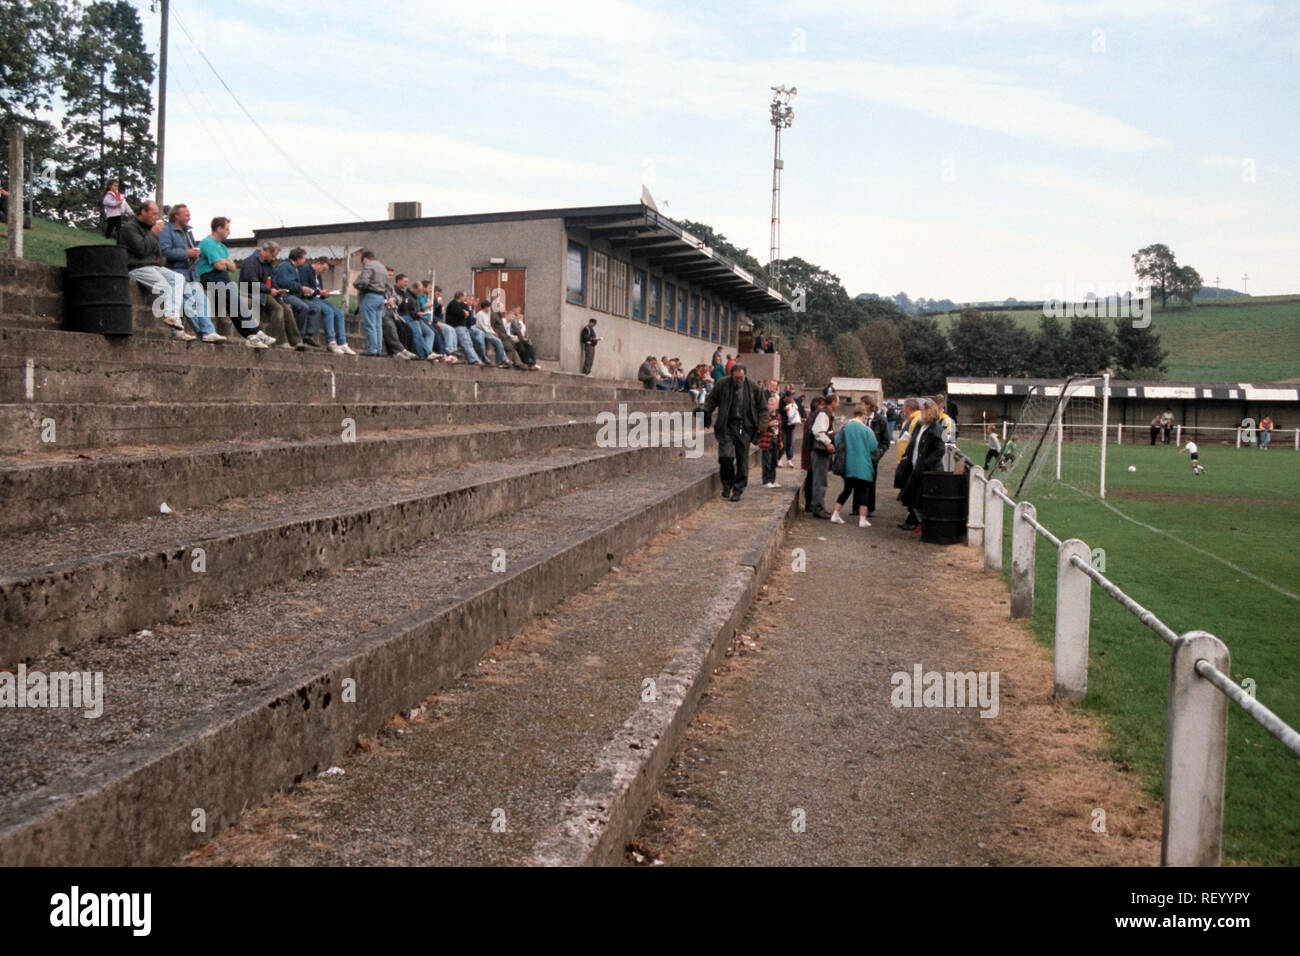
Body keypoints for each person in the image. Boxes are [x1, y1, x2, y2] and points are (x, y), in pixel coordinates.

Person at [117, 200, 195, 340]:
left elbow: (157, 254)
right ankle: (175, 327)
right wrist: (153, 233)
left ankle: (174, 322)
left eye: (157, 214)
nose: (156, 217)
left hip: (152, 267)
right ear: (143, 212)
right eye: (153, 214)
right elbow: (141, 250)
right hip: (135, 267)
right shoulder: (129, 228)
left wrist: (153, 234)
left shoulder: (148, 228)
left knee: (178, 278)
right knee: (165, 287)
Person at [157, 203, 225, 343]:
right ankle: (204, 333)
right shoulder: (166, 230)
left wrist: (195, 255)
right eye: (186, 215)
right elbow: (165, 252)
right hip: (175, 273)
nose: (189, 218)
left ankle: (207, 332)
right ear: (176, 216)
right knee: (189, 304)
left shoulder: (188, 233)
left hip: (191, 274)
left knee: (203, 300)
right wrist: (186, 253)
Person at [701, 362, 768, 502]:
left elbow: (763, 408)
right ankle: (727, 484)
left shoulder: (753, 387)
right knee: (725, 456)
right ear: (732, 375)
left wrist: (761, 427)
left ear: (745, 375)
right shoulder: (722, 384)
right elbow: (711, 400)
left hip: (745, 426)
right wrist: (705, 412)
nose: (739, 380)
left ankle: (738, 489)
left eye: (741, 377)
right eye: (736, 377)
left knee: (743, 460)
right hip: (726, 424)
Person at [237, 241, 301, 349]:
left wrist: (277, 289)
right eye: (273, 255)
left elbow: (272, 280)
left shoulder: (269, 264)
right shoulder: (250, 262)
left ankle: (296, 341)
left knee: (287, 310)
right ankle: (279, 341)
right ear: (266, 251)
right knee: (278, 309)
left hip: (265, 292)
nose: (274, 259)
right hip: (252, 292)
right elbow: (252, 283)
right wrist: (269, 290)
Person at [196, 216, 248, 340]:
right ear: (218, 228)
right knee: (233, 300)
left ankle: (252, 333)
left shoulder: (222, 247)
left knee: (236, 301)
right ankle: (252, 333)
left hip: (223, 278)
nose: (229, 232)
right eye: (227, 229)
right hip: (211, 278)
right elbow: (219, 266)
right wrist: (224, 262)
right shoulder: (207, 243)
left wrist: (224, 262)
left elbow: (233, 267)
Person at [899, 399, 946, 533]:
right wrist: (907, 454)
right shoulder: (921, 425)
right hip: (916, 467)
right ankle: (917, 522)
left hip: (927, 471)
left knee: (919, 498)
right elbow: (913, 443)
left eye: (923, 410)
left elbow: (940, 450)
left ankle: (922, 524)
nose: (921, 413)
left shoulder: (937, 428)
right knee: (911, 496)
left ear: (928, 412)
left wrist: (926, 463)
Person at [830, 403, 878, 528]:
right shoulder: (866, 429)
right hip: (863, 464)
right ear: (863, 415)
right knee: (863, 491)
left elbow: (837, 442)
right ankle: (862, 519)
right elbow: (873, 446)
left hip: (847, 464)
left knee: (847, 489)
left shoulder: (844, 427)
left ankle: (835, 513)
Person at [272, 247, 324, 349]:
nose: (305, 261)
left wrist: (305, 291)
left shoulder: (295, 268)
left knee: (315, 307)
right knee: (303, 307)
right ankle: (298, 335)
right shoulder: (285, 266)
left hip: (295, 294)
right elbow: (284, 282)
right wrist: (301, 288)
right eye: (303, 258)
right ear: (298, 258)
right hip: (285, 294)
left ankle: (307, 336)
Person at [304, 256, 354, 354]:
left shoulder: (318, 275)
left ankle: (342, 342)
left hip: (318, 298)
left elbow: (319, 290)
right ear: (318, 264)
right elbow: (306, 289)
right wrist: (319, 292)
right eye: (323, 269)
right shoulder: (306, 270)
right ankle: (331, 341)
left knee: (339, 313)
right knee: (329, 311)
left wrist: (326, 294)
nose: (324, 272)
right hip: (310, 298)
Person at [805, 394, 839, 518]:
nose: (838, 404)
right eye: (837, 402)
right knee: (820, 481)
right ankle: (818, 508)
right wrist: (828, 443)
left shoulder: (825, 413)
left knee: (819, 480)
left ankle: (818, 506)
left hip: (820, 452)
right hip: (820, 452)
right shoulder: (824, 414)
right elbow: (818, 431)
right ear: (833, 402)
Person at [352, 251, 390, 356]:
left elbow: (364, 281)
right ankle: (378, 349)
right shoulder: (383, 268)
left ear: (365, 259)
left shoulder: (369, 265)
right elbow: (387, 286)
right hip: (381, 297)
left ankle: (372, 349)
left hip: (370, 296)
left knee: (370, 324)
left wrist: (359, 287)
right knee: (378, 325)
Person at [444, 291, 484, 365]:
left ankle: (476, 358)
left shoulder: (462, 305)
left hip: (464, 326)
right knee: (466, 343)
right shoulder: (453, 304)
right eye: (465, 296)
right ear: (460, 296)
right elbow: (460, 314)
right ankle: (474, 360)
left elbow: (468, 315)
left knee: (469, 343)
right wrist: (464, 313)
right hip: (457, 326)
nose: (465, 298)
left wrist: (465, 313)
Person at [474, 299, 511, 367]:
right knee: (497, 341)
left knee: (498, 341)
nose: (489, 308)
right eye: (488, 307)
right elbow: (483, 327)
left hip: (489, 332)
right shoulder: (480, 314)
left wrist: (493, 332)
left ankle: (502, 360)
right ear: (485, 307)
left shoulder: (487, 314)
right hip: (483, 332)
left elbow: (489, 326)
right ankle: (503, 359)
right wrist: (492, 333)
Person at [759, 395, 783, 488]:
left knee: (774, 461)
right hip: (766, 441)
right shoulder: (764, 416)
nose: (770, 406)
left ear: (777, 406)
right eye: (769, 404)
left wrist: (780, 441)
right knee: (767, 461)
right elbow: (760, 429)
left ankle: (772, 480)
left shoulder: (778, 416)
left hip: (775, 440)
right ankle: (766, 480)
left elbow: (780, 430)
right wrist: (769, 424)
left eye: (773, 404)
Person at [779, 389, 801, 467]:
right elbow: (778, 411)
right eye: (790, 397)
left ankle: (789, 459)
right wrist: (784, 410)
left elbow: (798, 409)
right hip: (783, 425)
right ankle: (780, 458)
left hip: (791, 426)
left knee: (790, 443)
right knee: (783, 442)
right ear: (786, 397)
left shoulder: (793, 402)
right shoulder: (781, 402)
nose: (791, 398)